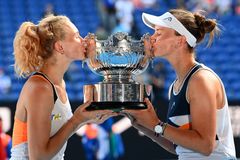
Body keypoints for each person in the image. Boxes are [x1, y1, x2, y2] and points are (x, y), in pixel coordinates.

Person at [121, 9, 236, 159]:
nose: (152, 37)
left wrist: (157, 124)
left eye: (159, 33)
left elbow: (205, 146)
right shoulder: (176, 85)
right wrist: (146, 126)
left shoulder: (200, 79)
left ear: (180, 40)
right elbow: (179, 148)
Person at [10, 15, 116, 159]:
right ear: (60, 47)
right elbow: (39, 157)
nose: (84, 40)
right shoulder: (40, 87)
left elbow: (58, 131)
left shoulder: (58, 83)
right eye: (77, 36)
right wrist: (77, 120)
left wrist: (87, 119)